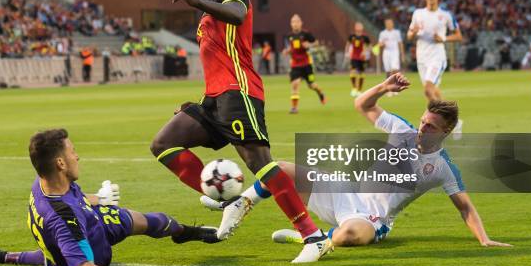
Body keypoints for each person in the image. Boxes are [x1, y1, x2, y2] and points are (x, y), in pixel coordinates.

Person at [152, 0, 331, 263]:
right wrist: (200, 102)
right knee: (163, 144)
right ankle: (222, 198)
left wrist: (193, 1)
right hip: (214, 99)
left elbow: (236, 15)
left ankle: (313, 237)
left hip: (240, 92)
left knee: (260, 163)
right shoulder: (207, 11)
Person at [203, 74, 511, 251]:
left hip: (373, 218)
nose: (421, 128)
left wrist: (484, 239)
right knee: (280, 169)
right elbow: (362, 104)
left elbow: (465, 207)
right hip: (344, 192)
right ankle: (239, 205)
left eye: (430, 126)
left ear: (445, 132)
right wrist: (382, 88)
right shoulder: (401, 129)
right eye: (422, 121)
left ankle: (313, 237)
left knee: (349, 236)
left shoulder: (443, 169)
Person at [0, 129, 218, 266]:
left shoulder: (44, 182)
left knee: (157, 221)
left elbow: (73, 200)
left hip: (83, 226)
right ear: (60, 163)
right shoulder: (64, 218)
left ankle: (183, 232)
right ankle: (182, 231)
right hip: (94, 248)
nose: (77, 156)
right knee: (74, 255)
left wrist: (98, 198)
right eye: (72, 152)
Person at [407, 0, 462, 102]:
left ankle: (439, 119)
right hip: (421, 57)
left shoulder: (445, 15)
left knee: (428, 90)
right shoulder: (418, 14)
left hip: (437, 57)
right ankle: (452, 118)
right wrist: (413, 33)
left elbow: (459, 36)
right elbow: (409, 36)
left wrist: (444, 38)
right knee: (433, 91)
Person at [283, 14, 326, 113]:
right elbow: (291, 48)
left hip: (306, 64)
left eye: (297, 21)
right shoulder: (289, 36)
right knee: (295, 84)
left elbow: (316, 43)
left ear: (301, 23)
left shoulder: (306, 34)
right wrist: (287, 51)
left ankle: (320, 93)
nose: (295, 24)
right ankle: (294, 108)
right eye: (293, 22)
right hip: (295, 65)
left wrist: (309, 44)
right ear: (291, 24)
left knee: (312, 85)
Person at [378, 18, 404, 93]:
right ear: (385, 24)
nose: (389, 24)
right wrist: (382, 44)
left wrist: (402, 54)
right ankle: (387, 88)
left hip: (395, 52)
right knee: (388, 71)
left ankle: (396, 87)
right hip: (386, 53)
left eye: (390, 23)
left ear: (392, 24)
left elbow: (400, 43)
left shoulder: (396, 32)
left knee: (395, 69)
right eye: (387, 23)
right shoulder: (382, 33)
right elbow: (379, 44)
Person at [346, 22, 370, 97]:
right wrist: (346, 52)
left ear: (362, 28)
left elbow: (369, 46)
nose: (359, 28)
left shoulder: (365, 37)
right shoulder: (352, 36)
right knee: (353, 71)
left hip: (362, 57)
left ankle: (359, 90)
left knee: (361, 73)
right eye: (358, 27)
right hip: (354, 57)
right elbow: (348, 44)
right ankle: (354, 88)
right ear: (355, 28)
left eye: (360, 27)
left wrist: (365, 51)